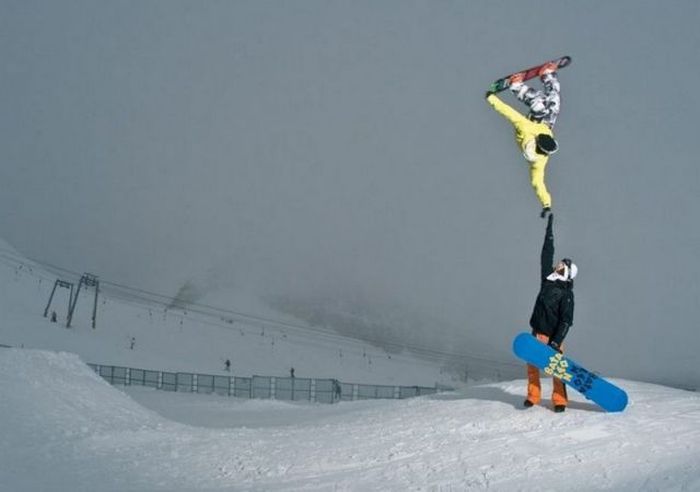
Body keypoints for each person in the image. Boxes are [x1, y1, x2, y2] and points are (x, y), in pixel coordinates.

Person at [485, 63, 561, 218]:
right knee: (554, 102)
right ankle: (547, 75)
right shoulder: (541, 161)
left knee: (539, 105)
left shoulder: (525, 129)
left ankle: (516, 86)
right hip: (545, 125)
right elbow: (538, 184)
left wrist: (491, 98)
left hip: (535, 123)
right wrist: (547, 204)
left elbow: (509, 113)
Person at [524, 213, 577, 412]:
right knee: (532, 366)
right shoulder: (547, 281)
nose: (558, 265)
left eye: (563, 265)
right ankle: (533, 396)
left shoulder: (567, 295)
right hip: (538, 332)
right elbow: (546, 255)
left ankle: (560, 400)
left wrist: (556, 342)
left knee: (558, 369)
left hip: (554, 337)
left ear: (567, 273)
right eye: (559, 263)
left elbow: (566, 321)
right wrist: (549, 233)